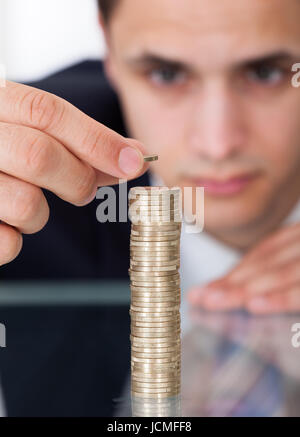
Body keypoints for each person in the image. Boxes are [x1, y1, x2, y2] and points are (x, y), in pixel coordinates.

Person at [0, 0, 299, 416]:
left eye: (265, 73)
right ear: (109, 47)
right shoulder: (29, 177)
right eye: (167, 74)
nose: (218, 144)